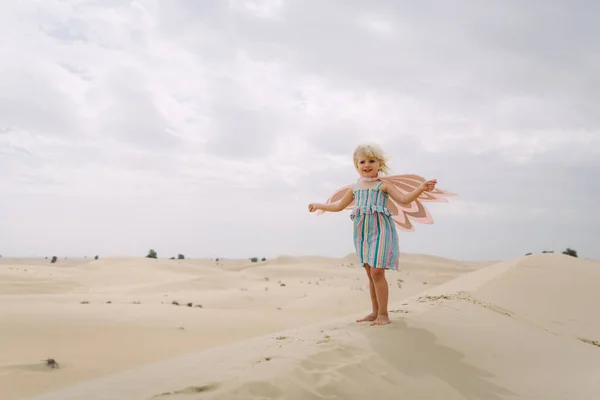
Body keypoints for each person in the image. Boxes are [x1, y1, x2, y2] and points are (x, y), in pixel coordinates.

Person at [308, 143, 437, 326]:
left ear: (379, 164)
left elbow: (404, 200)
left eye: (371, 161)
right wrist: (319, 205)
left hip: (381, 230)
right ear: (356, 165)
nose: (366, 165)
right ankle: (375, 312)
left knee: (377, 272)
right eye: (362, 162)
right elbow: (338, 206)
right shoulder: (354, 188)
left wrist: (421, 188)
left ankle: (383, 314)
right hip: (362, 233)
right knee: (370, 273)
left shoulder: (383, 186)